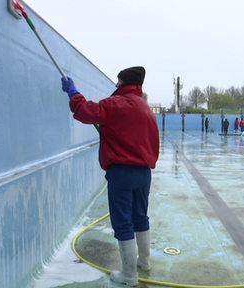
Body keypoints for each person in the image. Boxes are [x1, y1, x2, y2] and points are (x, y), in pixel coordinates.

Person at [61, 66, 159, 287]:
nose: (115, 85)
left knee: (123, 221)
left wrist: (73, 93)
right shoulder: (145, 109)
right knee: (140, 217)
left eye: (117, 81)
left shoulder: (116, 104)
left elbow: (86, 111)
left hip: (122, 173)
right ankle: (144, 262)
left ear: (123, 83)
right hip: (144, 173)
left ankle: (129, 275)